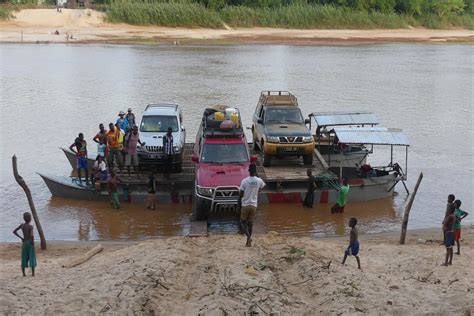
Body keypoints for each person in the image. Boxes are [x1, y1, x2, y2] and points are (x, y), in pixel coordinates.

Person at [239, 163, 266, 247]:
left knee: (242, 223)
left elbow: (240, 194)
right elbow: (264, 186)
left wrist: (237, 205)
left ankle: (248, 237)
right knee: (250, 224)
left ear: (248, 171)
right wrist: (257, 191)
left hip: (245, 205)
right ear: (255, 171)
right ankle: (248, 242)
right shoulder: (259, 181)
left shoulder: (244, 181)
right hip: (254, 205)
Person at [13, 212, 36, 276]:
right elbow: (31, 235)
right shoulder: (30, 226)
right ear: (30, 219)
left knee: (24, 257)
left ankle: (24, 274)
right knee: (32, 257)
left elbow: (14, 231)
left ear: (23, 218)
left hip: (24, 243)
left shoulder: (22, 225)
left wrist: (21, 238)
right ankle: (33, 273)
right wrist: (32, 241)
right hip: (29, 243)